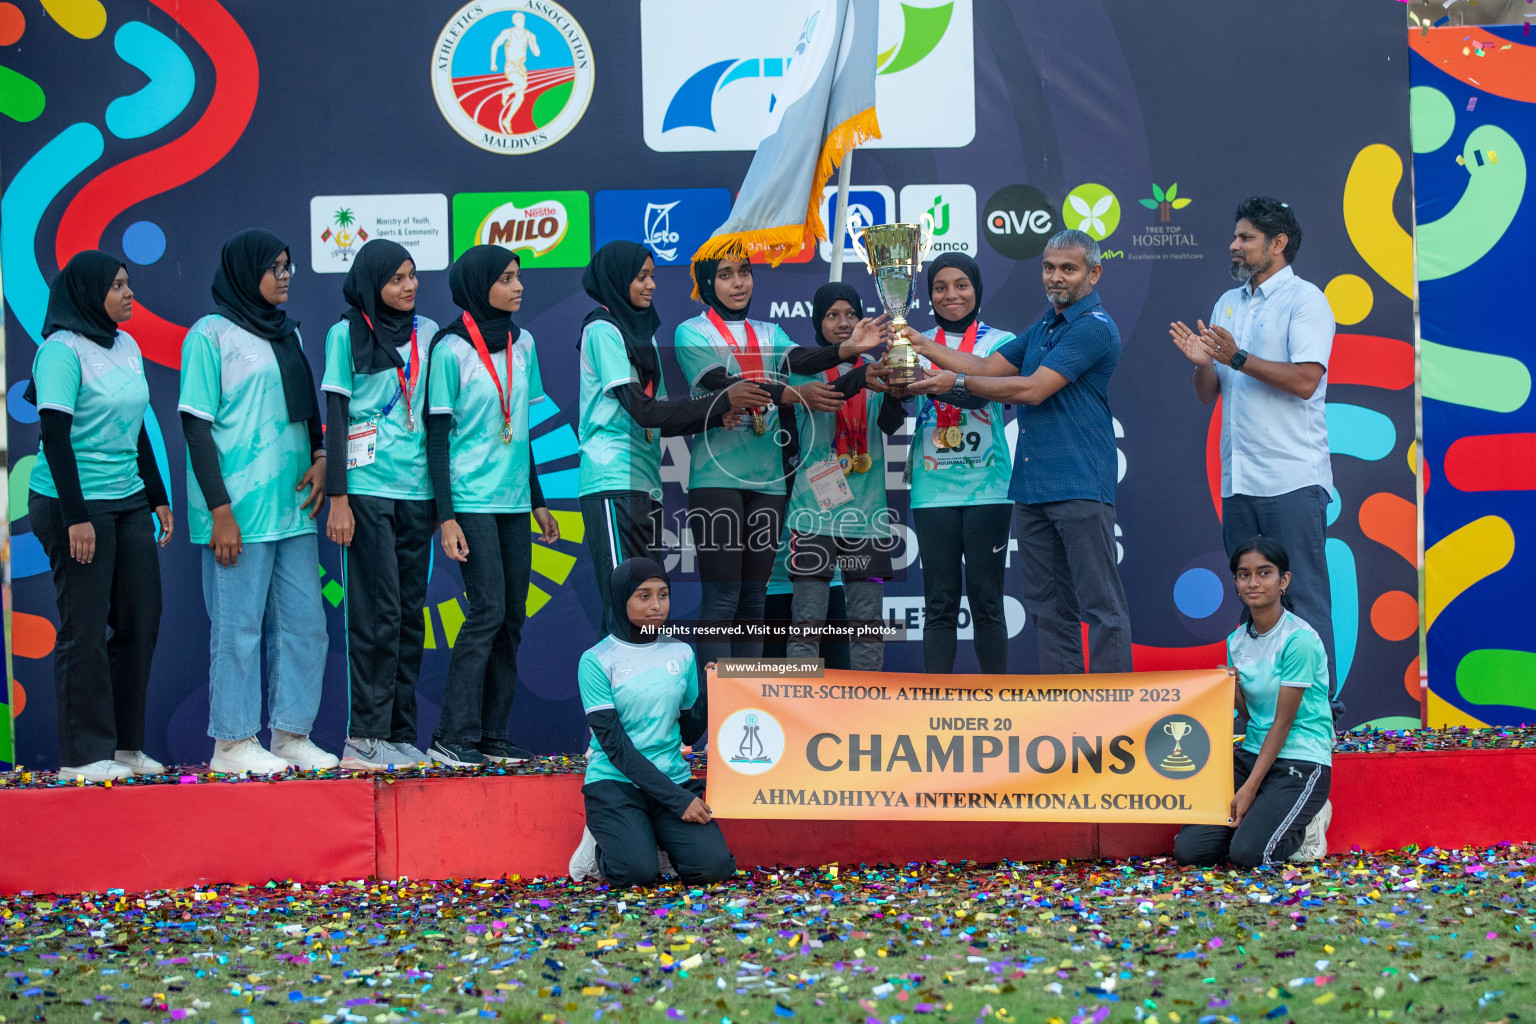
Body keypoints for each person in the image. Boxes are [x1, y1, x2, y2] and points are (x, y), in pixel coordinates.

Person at [908, 229, 1131, 674]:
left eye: (1068, 268)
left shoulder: (1093, 328)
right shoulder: (1046, 325)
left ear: (1094, 273)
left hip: (1078, 484)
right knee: (1049, 610)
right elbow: (990, 366)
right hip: (1031, 490)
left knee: (1100, 607)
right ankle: (1064, 708)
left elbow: (1032, 389)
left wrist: (953, 383)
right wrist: (920, 343)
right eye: (1049, 267)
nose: (1056, 277)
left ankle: (1112, 713)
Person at [675, 252, 881, 677]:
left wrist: (848, 349)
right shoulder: (691, 331)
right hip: (717, 477)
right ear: (707, 283)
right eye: (726, 275)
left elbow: (802, 362)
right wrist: (787, 395)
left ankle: (747, 707)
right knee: (722, 597)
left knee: (753, 599)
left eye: (745, 273)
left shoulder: (768, 331)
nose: (738, 284)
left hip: (768, 482)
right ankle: (717, 712)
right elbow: (727, 386)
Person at [179, 229, 338, 774]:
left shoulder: (286, 334)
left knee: (306, 626)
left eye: (289, 265)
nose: (287, 275)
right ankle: (232, 743)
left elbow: (304, 407)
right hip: (235, 516)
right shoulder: (209, 335)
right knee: (238, 630)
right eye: (275, 267)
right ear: (248, 273)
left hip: (292, 509)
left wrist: (320, 455)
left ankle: (291, 734)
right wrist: (219, 511)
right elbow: (196, 429)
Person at [1170, 197, 1338, 701]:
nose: (1234, 244)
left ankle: (1321, 713)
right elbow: (1209, 393)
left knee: (1301, 597)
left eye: (1245, 237)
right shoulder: (1227, 303)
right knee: (1253, 600)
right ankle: (1262, 715)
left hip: (1292, 477)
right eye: (1236, 236)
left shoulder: (1307, 300)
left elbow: (1307, 380)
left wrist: (1238, 357)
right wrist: (1204, 363)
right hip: (1239, 480)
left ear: (1278, 244)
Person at [27, 251, 174, 782]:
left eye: (127, 283)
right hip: (72, 504)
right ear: (90, 294)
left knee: (141, 619)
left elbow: (135, 427)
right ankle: (85, 756)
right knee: (85, 629)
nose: (129, 292)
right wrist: (76, 517)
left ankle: (125, 746)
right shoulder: (60, 352)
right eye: (117, 286)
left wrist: (157, 495)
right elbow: (55, 439)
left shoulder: (127, 344)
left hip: (128, 499)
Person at [575, 240, 768, 635]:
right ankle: (612, 698)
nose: (651, 286)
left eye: (653, 276)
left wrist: (717, 414)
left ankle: (650, 697)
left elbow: (662, 417)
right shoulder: (602, 329)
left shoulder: (640, 333)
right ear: (617, 279)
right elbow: (642, 411)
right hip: (613, 479)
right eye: (641, 277)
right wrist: (719, 399)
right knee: (624, 603)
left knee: (647, 607)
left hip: (645, 483)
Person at [425, 245, 560, 767]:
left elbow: (519, 430)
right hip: (469, 501)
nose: (518, 286)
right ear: (480, 285)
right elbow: (437, 438)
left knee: (513, 618)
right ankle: (451, 735)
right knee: (487, 611)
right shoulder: (449, 348)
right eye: (506, 278)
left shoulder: (524, 341)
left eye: (518, 276)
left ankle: (491, 737)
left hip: (513, 501)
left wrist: (538, 501)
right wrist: (446, 515)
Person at [322, 239, 437, 770]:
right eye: (395, 279)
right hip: (367, 493)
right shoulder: (344, 334)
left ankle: (398, 733)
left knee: (410, 617)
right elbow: (338, 418)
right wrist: (339, 499)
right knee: (377, 613)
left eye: (412, 276)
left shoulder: (429, 333)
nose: (408, 287)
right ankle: (364, 736)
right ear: (372, 284)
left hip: (418, 494)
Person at [568, 556, 737, 887]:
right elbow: (615, 748)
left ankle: (655, 840)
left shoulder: (682, 654)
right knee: (635, 874)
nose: (656, 605)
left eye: (663, 594)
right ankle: (601, 847)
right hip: (615, 783)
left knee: (714, 868)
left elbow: (688, 731)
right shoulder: (597, 660)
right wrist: (678, 801)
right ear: (622, 599)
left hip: (672, 777)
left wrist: (709, 692)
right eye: (644, 596)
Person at [1173, 536, 1333, 866]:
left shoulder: (1299, 641)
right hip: (1253, 753)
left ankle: (1308, 824)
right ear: (1235, 582)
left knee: (1249, 855)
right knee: (1190, 851)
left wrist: (1248, 788)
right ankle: (1265, 817)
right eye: (1244, 574)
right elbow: (1252, 717)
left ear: (1283, 580)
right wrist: (1233, 689)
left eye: (1265, 573)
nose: (1253, 582)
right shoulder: (1237, 640)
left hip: (1300, 758)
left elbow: (1283, 721)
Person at [783, 282, 903, 672]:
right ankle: (800, 705)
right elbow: (829, 394)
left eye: (851, 315)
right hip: (812, 514)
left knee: (867, 625)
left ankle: (867, 710)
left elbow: (888, 424)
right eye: (832, 315)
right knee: (807, 622)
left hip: (866, 517)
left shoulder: (874, 372)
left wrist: (899, 389)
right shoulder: (803, 371)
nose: (842, 323)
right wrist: (863, 373)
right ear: (818, 321)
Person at [906, 253, 1014, 674]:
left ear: (977, 289)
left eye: (961, 285)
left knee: (987, 599)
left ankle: (995, 703)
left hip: (989, 486)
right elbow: (891, 415)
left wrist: (934, 384)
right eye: (940, 287)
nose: (951, 294)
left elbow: (988, 393)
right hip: (933, 488)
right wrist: (895, 388)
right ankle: (938, 704)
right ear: (930, 294)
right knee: (939, 602)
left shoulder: (1000, 343)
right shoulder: (911, 342)